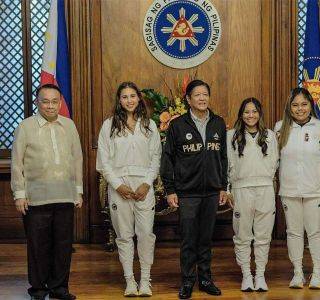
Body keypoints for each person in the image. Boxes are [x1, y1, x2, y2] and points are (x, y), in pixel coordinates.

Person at [11, 84, 83, 300]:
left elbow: (77, 158)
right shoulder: (25, 126)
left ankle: (59, 288)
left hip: (65, 195)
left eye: (54, 101)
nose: (50, 106)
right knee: (38, 246)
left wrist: (77, 191)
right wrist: (19, 194)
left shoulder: (69, 125)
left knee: (62, 245)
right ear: (37, 103)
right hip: (35, 198)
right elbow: (16, 162)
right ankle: (38, 289)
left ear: (60, 103)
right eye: (45, 101)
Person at [160, 79, 228, 299]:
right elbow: (167, 158)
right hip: (187, 193)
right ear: (188, 99)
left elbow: (223, 158)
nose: (202, 98)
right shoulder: (178, 126)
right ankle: (188, 281)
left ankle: (206, 279)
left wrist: (223, 187)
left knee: (206, 238)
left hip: (211, 192)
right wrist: (170, 190)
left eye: (205, 94)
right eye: (197, 95)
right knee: (189, 239)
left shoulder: (218, 123)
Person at [96, 81, 161, 297]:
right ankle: (129, 281)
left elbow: (156, 158)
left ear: (139, 98)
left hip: (144, 186)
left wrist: (147, 182)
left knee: (145, 234)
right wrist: (118, 185)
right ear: (119, 100)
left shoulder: (149, 124)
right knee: (124, 235)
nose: (129, 100)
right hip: (120, 186)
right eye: (125, 97)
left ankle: (145, 280)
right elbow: (104, 161)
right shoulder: (109, 125)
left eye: (133, 96)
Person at [274, 87, 320, 289]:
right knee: (294, 232)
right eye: (295, 105)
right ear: (290, 107)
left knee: (315, 231)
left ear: (310, 105)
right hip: (289, 190)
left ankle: (317, 273)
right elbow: (274, 159)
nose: (300, 109)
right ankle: (297, 272)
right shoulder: (280, 128)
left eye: (304, 104)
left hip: (314, 189)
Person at [227, 98, 279, 292]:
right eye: (247, 111)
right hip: (241, 189)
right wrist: (228, 189)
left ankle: (260, 275)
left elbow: (275, 163)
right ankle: (246, 275)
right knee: (242, 235)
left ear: (260, 113)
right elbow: (226, 164)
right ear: (241, 114)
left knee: (263, 236)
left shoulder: (269, 136)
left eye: (254, 111)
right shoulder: (231, 135)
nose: (251, 115)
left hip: (265, 189)